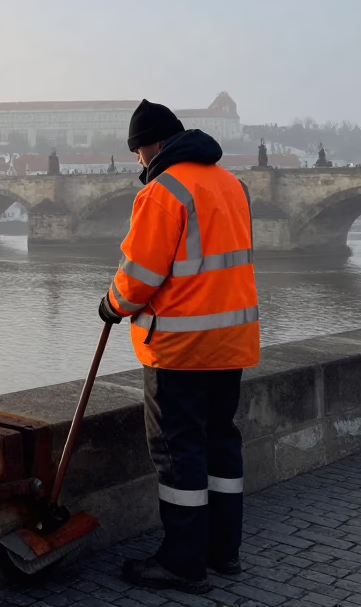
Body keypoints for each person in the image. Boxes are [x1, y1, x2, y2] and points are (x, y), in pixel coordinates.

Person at [97, 99, 260, 595]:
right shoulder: (231, 184)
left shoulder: (163, 191)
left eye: (139, 150)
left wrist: (111, 304)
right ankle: (222, 551)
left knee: (177, 452)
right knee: (220, 445)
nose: (137, 161)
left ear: (156, 145)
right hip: (230, 341)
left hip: (180, 346)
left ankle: (183, 562)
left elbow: (141, 274)